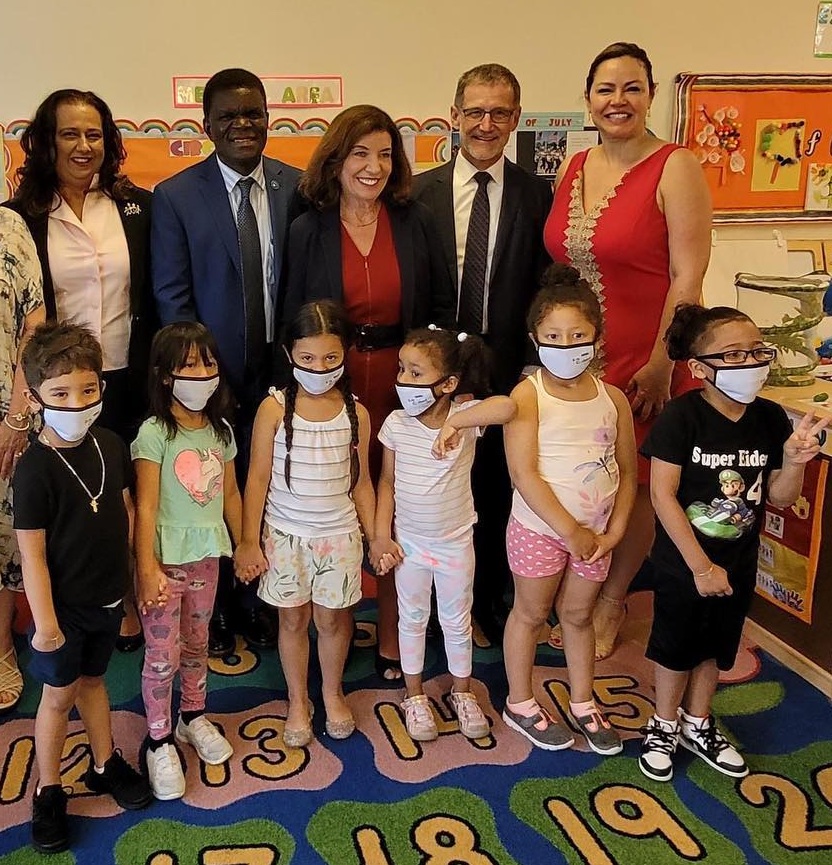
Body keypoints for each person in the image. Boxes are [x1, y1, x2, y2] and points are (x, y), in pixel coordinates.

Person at [545, 43, 712, 660]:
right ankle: (573, 591)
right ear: (588, 98)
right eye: (605, 89)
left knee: (637, 481)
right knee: (585, 472)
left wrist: (663, 362)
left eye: (632, 88)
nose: (618, 101)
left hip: (649, 353)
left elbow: (688, 276)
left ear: (650, 95)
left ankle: (611, 598)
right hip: (576, 353)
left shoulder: (676, 166)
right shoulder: (575, 164)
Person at [283, 104, 455, 682]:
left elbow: (438, 309)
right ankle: (333, 620)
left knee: (397, 504)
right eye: (360, 153)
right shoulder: (309, 228)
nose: (374, 166)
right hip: (334, 382)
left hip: (403, 384)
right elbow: (293, 313)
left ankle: (391, 630)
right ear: (335, 159)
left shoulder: (415, 220)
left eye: (385, 154)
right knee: (339, 498)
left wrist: (434, 387)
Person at [638, 304, 829, 782]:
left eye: (756, 351)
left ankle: (698, 723)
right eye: (734, 354)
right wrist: (701, 567)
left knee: (718, 644)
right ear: (700, 369)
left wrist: (794, 460)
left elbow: (780, 497)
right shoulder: (681, 419)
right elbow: (662, 496)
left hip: (739, 558)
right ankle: (663, 723)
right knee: (676, 644)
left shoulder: (768, 419)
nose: (750, 362)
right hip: (686, 560)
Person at [152, 68, 302, 656]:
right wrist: (198, 377)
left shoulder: (298, 187)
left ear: (269, 116)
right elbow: (172, 296)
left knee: (266, 489)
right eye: (229, 116)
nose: (244, 124)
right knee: (211, 490)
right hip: (207, 379)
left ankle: (256, 598)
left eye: (254, 113)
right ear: (207, 125)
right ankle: (212, 610)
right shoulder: (176, 196)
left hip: (281, 372)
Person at [5, 88, 157, 653]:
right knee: (73, 503)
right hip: (61, 391)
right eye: (70, 134)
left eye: (94, 134)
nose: (83, 145)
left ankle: (123, 603)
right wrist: (25, 408)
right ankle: (62, 610)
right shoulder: (21, 218)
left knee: (123, 494)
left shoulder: (134, 207)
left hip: (123, 377)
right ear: (46, 142)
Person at [413, 64, 553, 645]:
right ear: (455, 115)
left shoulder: (536, 194)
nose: (486, 123)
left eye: (499, 112)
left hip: (506, 366)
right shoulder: (418, 193)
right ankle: (432, 601)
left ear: (516, 119)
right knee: (439, 480)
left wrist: (532, 363)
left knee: (497, 485)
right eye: (475, 111)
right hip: (437, 365)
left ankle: (491, 598)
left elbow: (543, 283)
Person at [13, 322, 151, 853]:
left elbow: (125, 513)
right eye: (61, 394)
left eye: (88, 390)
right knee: (56, 697)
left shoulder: (110, 445)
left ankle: (102, 762)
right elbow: (33, 556)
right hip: (61, 612)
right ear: (36, 397)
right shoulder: (34, 470)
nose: (77, 402)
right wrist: (45, 623)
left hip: (107, 600)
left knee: (96, 683)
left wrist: (131, 590)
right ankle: (48, 790)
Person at [502, 265, 636, 753]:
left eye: (578, 335)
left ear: (596, 337)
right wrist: (568, 531)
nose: (566, 345)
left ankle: (583, 701)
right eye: (553, 336)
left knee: (578, 617)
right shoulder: (527, 395)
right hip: (540, 530)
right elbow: (524, 474)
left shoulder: (613, 398)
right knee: (531, 614)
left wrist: (616, 529)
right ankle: (520, 702)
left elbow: (626, 471)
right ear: (535, 337)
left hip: (597, 534)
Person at [234, 301, 375, 746]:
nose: (319, 368)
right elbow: (256, 478)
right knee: (292, 622)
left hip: (339, 537)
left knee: (333, 622)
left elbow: (363, 484)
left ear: (346, 353)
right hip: (284, 537)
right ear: (289, 354)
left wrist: (377, 537)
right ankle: (298, 699)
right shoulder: (273, 410)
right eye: (308, 358)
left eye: (331, 358)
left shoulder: (358, 413)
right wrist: (248, 542)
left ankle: (332, 692)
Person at [370, 325, 515, 743]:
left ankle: (462, 691)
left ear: (449, 383)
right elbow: (386, 483)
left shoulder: (465, 419)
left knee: (456, 619)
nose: (403, 381)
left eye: (416, 373)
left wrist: (458, 422)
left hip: (455, 542)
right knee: (411, 617)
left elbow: (507, 407)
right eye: (401, 370)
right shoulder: (396, 424)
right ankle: (413, 695)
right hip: (410, 544)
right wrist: (383, 536)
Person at [133, 322, 241, 800]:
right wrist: (147, 567)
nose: (202, 373)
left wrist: (246, 546)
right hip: (163, 562)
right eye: (189, 364)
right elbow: (147, 507)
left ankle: (192, 716)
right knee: (162, 656)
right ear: (164, 375)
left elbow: (232, 493)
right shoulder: (154, 434)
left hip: (206, 558)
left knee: (197, 645)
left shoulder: (221, 431)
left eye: (208, 362)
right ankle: (158, 739)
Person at [0, 209, 46, 715]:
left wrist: (15, 415)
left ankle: (2, 648)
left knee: (4, 532)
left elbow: (34, 324)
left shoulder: (10, 227)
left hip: (6, 414)